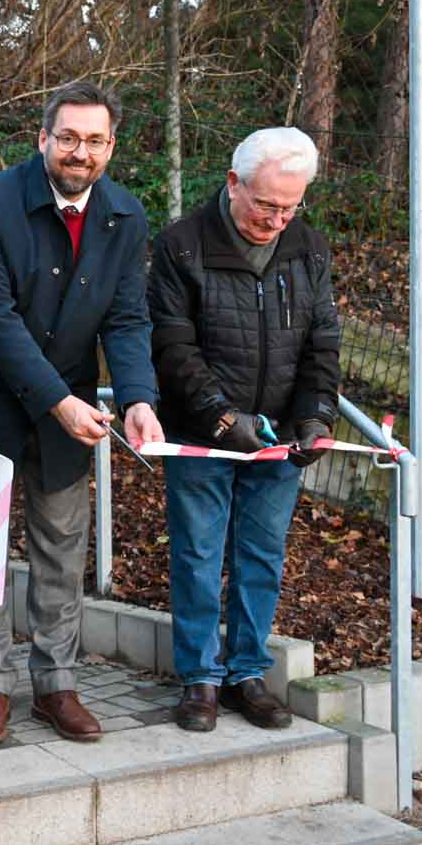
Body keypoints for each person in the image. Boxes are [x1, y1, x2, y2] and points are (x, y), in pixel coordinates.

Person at [0, 80, 164, 745]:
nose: (80, 151)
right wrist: (60, 402)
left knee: (63, 552)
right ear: (43, 138)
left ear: (111, 146)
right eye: (67, 137)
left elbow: (127, 319)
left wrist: (137, 399)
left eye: (95, 140)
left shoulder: (125, 217)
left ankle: (56, 684)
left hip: (67, 407)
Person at [148, 126, 342, 733]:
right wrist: (221, 418)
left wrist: (316, 415)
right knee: (200, 555)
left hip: (282, 437)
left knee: (262, 556)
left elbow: (323, 344)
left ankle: (247, 674)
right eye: (266, 204)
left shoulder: (310, 249)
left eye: (290, 206)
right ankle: (200, 679)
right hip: (202, 433)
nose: (277, 218)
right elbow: (173, 346)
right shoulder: (181, 246)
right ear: (233, 183)